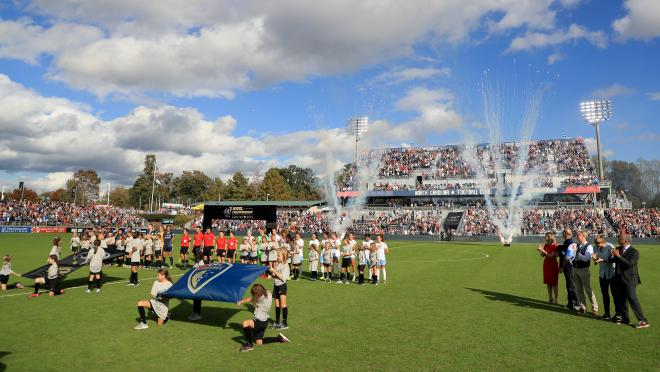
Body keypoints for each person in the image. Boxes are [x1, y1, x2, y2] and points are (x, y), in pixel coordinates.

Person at [610, 233, 650, 328]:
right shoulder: (618, 248)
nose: (618, 239)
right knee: (622, 299)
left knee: (632, 298)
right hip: (619, 278)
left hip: (630, 279)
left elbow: (629, 264)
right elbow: (614, 260)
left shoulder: (634, 252)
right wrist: (608, 257)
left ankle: (643, 321)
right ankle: (625, 319)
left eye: (620, 238)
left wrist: (618, 256)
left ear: (626, 241)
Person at [236, 284, 290, 352]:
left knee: (245, 323)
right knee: (259, 342)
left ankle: (249, 344)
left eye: (254, 293)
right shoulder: (268, 293)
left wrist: (241, 301)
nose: (253, 294)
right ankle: (279, 339)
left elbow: (251, 298)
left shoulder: (261, 297)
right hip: (265, 322)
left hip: (260, 322)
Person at [572, 230, 598, 315]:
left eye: (578, 235)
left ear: (583, 236)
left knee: (587, 289)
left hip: (584, 270)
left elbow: (586, 258)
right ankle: (582, 307)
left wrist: (577, 254)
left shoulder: (589, 246)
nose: (576, 237)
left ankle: (595, 308)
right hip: (575, 269)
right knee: (578, 289)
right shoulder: (578, 245)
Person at [592, 235, 615, 320]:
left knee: (614, 294)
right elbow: (596, 258)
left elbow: (614, 259)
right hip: (602, 274)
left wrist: (603, 260)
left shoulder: (610, 246)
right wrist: (595, 259)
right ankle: (607, 314)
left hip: (611, 273)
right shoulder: (595, 247)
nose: (597, 245)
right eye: (595, 243)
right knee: (605, 294)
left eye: (598, 243)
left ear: (603, 241)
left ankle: (617, 315)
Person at [558, 229, 579, 310]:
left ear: (566, 234)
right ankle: (571, 303)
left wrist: (562, 266)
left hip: (568, 266)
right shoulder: (569, 242)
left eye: (563, 233)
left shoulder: (569, 243)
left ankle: (574, 303)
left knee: (571, 285)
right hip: (570, 266)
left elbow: (567, 257)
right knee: (570, 285)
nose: (562, 234)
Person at [536, 232, 559, 304]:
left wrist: (543, 250)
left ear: (550, 237)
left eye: (545, 236)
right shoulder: (546, 245)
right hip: (546, 265)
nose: (544, 237)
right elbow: (542, 255)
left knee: (554, 283)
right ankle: (550, 298)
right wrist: (540, 250)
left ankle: (556, 299)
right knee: (548, 282)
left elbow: (552, 256)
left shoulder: (555, 246)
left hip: (553, 265)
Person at [270, 251, 290, 330]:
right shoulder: (278, 265)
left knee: (283, 305)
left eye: (279, 256)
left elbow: (283, 278)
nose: (277, 257)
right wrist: (272, 272)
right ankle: (277, 322)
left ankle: (285, 323)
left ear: (284, 257)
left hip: (282, 286)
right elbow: (274, 275)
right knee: (277, 305)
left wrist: (274, 271)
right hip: (276, 286)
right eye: (277, 256)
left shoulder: (286, 266)